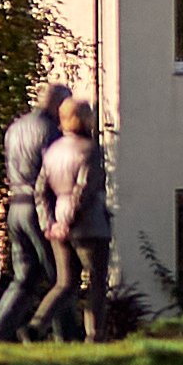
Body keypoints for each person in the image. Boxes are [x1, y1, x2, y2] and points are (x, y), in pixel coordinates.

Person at [0, 81, 74, 342]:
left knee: (24, 278)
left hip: (15, 207)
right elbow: (53, 173)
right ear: (58, 104)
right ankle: (68, 339)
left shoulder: (14, 128)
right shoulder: (50, 130)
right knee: (61, 279)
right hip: (38, 208)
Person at [36, 98, 111, 342]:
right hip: (89, 225)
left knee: (64, 282)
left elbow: (40, 191)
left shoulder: (53, 151)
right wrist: (69, 221)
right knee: (97, 281)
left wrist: (49, 223)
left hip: (58, 219)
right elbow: (84, 190)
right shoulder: (90, 150)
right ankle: (94, 334)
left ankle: (36, 326)